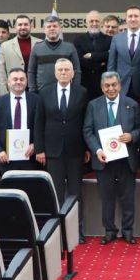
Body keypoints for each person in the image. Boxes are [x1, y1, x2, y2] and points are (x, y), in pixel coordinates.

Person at [83, 71, 140, 244]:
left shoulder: (131, 104)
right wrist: (97, 150)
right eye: (107, 86)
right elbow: (87, 131)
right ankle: (109, 230)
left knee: (127, 197)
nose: (111, 88)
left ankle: (128, 230)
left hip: (126, 160)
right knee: (107, 197)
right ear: (102, 87)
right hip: (104, 160)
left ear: (120, 85)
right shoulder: (93, 105)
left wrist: (132, 136)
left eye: (114, 85)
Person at [34, 58, 89, 239]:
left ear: (73, 73)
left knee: (75, 193)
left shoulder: (82, 92)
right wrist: (39, 149)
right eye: (60, 70)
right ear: (55, 73)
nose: (63, 72)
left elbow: (85, 122)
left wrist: (87, 148)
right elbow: (39, 122)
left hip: (75, 150)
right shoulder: (45, 92)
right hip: (52, 151)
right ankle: (58, 232)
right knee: (56, 193)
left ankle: (76, 232)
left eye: (67, 70)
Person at [0, 68, 42, 174]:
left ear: (26, 81)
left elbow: (41, 126)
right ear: (8, 82)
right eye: (15, 79)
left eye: (22, 79)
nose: (18, 82)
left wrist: (36, 145)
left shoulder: (36, 100)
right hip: (6, 157)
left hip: (30, 157)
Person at [107, 5, 140, 98]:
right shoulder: (116, 39)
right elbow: (111, 66)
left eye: (136, 16)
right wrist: (112, 87)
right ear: (126, 19)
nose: (133, 19)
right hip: (121, 87)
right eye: (130, 16)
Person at [27, 15, 80, 92]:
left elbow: (76, 71)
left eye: (55, 26)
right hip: (41, 93)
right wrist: (33, 91)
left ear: (60, 29)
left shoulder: (70, 48)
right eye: (49, 27)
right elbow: (31, 72)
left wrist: (75, 89)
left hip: (64, 93)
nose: (52, 28)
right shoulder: (36, 48)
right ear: (44, 30)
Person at [0, 14, 41, 92]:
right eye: (20, 25)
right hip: (13, 92)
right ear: (15, 27)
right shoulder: (5, 46)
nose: (23, 27)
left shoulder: (40, 43)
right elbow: (1, 74)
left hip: (36, 90)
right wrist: (4, 94)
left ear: (31, 26)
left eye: (26, 24)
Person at [74, 10, 112, 100]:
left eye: (97, 21)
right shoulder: (78, 40)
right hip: (85, 85)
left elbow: (110, 57)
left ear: (101, 23)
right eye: (91, 21)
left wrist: (92, 56)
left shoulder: (110, 40)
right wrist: (100, 63)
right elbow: (80, 61)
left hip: (104, 85)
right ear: (86, 23)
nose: (94, 23)